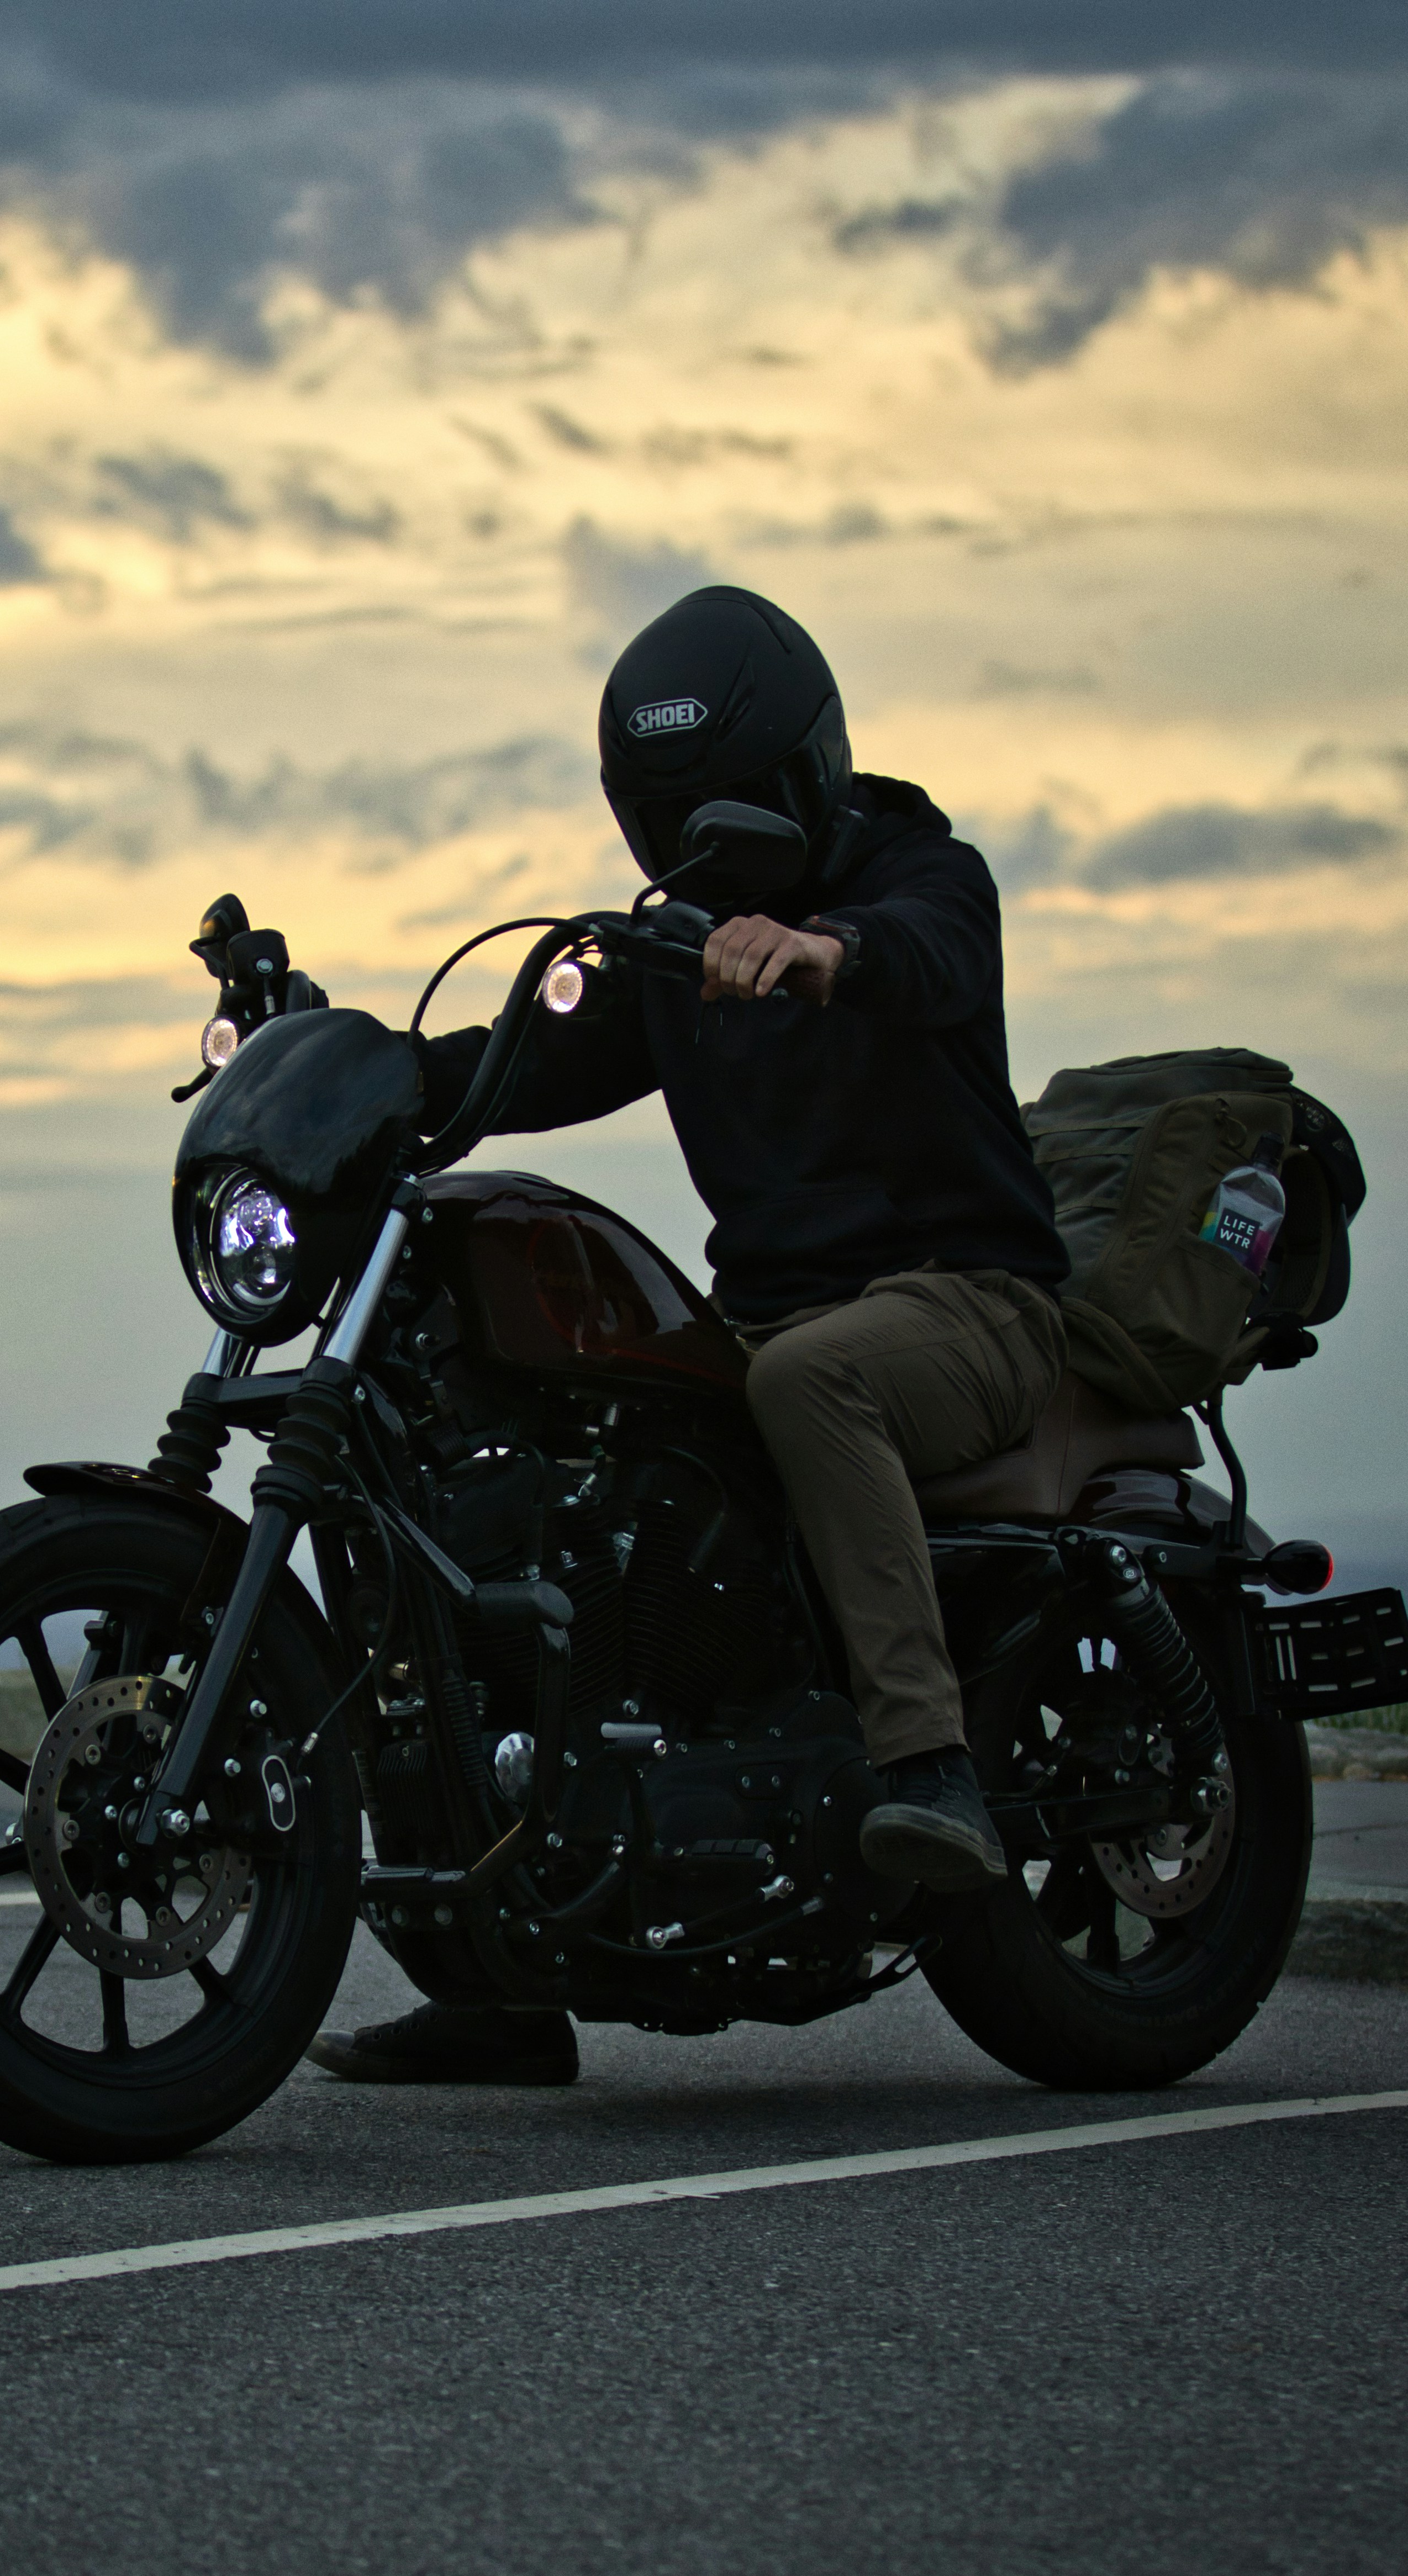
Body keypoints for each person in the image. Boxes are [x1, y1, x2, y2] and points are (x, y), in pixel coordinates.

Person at [311, 584, 1069, 2090]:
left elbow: (925, 949)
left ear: (805, 774)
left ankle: (929, 1767)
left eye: (720, 812)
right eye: (668, 822)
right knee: (503, 1465)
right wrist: (357, 1070)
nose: (695, 852)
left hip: (967, 1303)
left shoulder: (927, 877)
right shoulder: (675, 954)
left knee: (808, 1373)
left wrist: (823, 948)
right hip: (774, 1325)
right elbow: (518, 1063)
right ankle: (498, 1968)